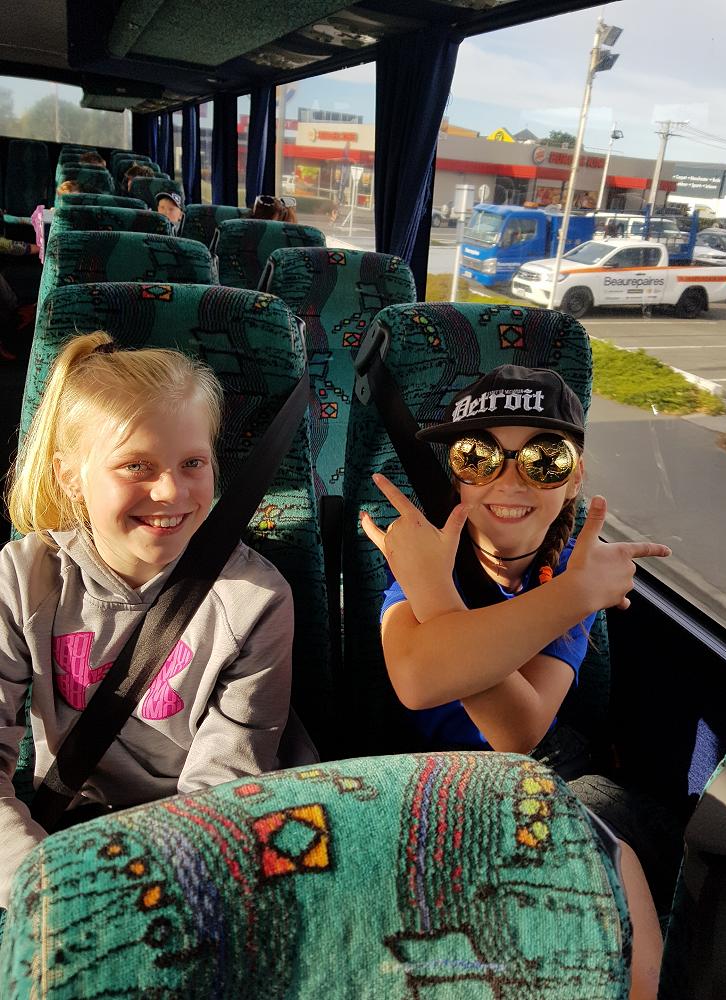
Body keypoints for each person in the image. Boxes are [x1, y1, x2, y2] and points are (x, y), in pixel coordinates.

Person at [360, 364, 669, 1000]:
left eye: (543, 460)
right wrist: (439, 585)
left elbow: (518, 731)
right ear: (456, 476)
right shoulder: (426, 560)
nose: (509, 480)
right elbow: (418, 679)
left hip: (543, 770)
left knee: (618, 875)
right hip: (422, 775)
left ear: (575, 477)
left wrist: (565, 594)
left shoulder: (567, 574)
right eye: (479, 458)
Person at [0, 330, 316, 909]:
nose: (171, 491)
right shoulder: (24, 580)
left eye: (193, 463)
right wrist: (42, 885)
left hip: (200, 832)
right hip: (69, 827)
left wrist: (167, 889)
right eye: (136, 466)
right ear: (71, 476)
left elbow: (225, 780)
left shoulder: (254, 600)